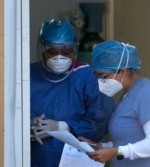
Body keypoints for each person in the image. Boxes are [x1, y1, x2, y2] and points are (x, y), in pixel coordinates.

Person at [30, 19, 115, 167]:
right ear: (43, 49)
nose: (59, 57)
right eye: (53, 51)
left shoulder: (85, 76)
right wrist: (27, 125)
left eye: (66, 51)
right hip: (35, 159)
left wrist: (63, 126)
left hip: (77, 159)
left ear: (74, 50)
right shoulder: (27, 75)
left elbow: (100, 121)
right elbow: (8, 115)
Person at [79, 40, 150, 167]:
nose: (100, 81)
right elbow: (129, 139)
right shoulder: (128, 94)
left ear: (123, 71)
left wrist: (116, 152)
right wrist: (100, 146)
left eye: (103, 76)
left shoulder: (146, 93)